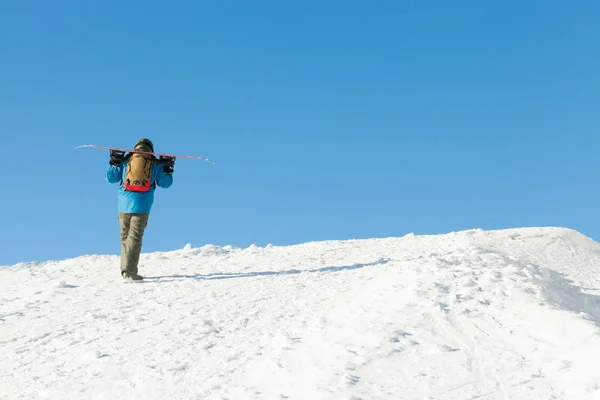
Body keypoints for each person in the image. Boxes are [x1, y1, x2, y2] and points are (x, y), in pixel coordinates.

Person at [105, 138, 174, 281]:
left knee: (125, 237)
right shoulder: (154, 163)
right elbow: (165, 184)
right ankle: (129, 272)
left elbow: (111, 178)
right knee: (135, 238)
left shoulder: (126, 160)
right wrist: (167, 169)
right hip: (142, 205)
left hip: (123, 205)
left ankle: (126, 270)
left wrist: (114, 163)